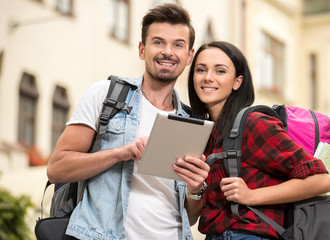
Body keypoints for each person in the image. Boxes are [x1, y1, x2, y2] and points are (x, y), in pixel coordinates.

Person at [47, 4, 209, 240]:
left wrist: (195, 190)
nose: (168, 52)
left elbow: (189, 217)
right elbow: (56, 169)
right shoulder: (105, 95)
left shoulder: (192, 122)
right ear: (142, 49)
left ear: (189, 56)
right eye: (158, 42)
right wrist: (121, 153)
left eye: (178, 44)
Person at [187, 41, 330, 240]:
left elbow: (321, 180)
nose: (208, 77)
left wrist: (251, 196)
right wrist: (195, 190)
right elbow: (192, 217)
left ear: (237, 82)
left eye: (220, 71)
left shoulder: (254, 124)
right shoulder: (208, 135)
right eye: (201, 70)